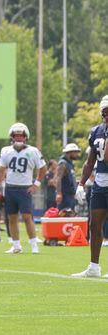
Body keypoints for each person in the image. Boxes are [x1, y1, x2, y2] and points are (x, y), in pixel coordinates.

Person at [0, 123, 46, 254]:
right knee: (12, 218)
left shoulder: (33, 151)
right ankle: (16, 246)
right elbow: (1, 171)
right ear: (12, 137)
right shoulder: (6, 151)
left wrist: (36, 184)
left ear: (26, 137)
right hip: (10, 188)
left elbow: (43, 169)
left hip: (24, 189)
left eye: (21, 136)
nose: (19, 138)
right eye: (16, 136)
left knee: (27, 217)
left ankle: (33, 245)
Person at [72, 95, 108, 277]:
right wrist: (81, 183)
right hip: (100, 183)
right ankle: (94, 267)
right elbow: (90, 161)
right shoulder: (97, 131)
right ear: (102, 113)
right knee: (94, 225)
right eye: (106, 111)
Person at [55, 144, 81, 211]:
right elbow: (58, 178)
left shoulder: (70, 164)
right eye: (75, 152)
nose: (77, 154)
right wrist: (59, 193)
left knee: (70, 218)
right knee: (64, 216)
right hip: (64, 196)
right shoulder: (62, 163)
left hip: (70, 196)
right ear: (70, 152)